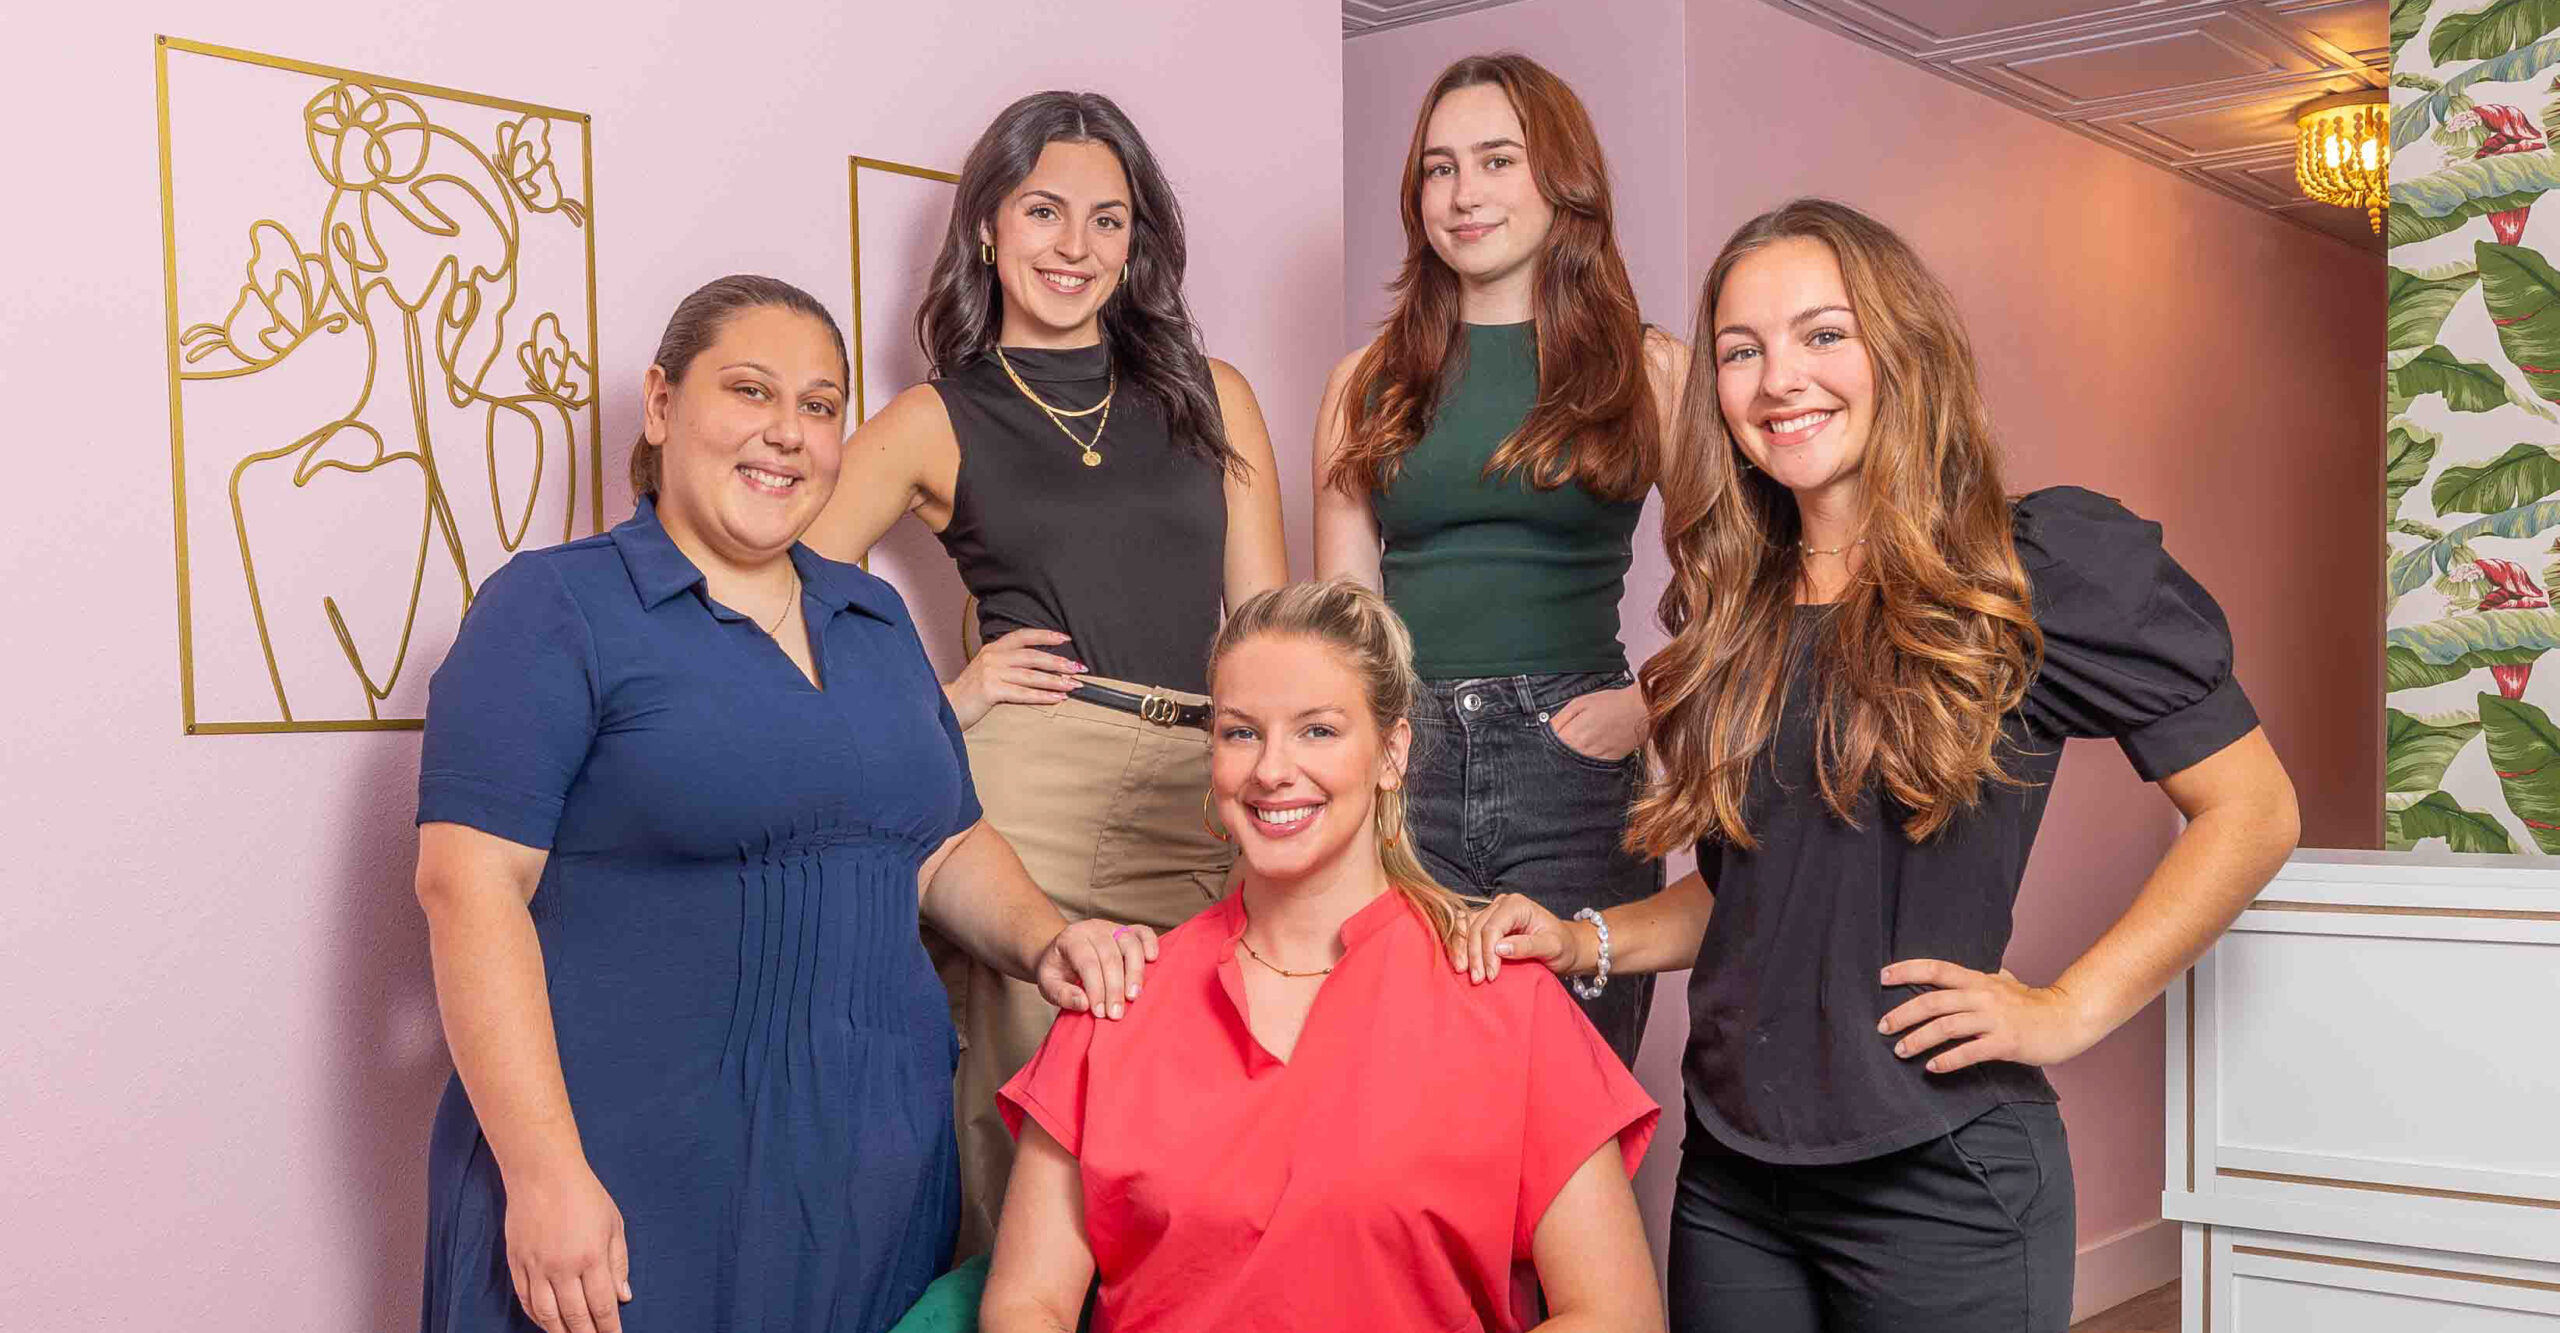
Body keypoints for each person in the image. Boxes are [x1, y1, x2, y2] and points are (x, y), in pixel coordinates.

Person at [1460, 200, 2302, 1333]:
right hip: (1733, 1183)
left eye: (1822, 334)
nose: (1779, 380)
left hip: (1943, 1179)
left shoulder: (2028, 570)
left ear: (1903, 349)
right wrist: (1583, 940)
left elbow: (2253, 809)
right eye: (1740, 351)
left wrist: (2068, 1008)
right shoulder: (1736, 607)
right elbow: (1760, 891)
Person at [412, 275, 1156, 1333]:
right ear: (662, 405)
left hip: (867, 1205)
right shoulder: (556, 607)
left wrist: (1048, 940)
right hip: (625, 1198)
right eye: (750, 390)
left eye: (819, 404)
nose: (788, 432)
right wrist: (541, 1174)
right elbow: (468, 889)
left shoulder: (873, 616)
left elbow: (939, 843)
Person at [805, 91, 1287, 1256]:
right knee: (1023, 1139)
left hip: (1202, 786)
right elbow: (784, 591)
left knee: (1208, 1132)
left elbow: (1270, 627)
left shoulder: (1212, 396)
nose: (1075, 245)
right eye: (1043, 211)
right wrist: (945, 702)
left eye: (1106, 220)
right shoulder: (936, 418)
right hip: (1033, 791)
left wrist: (1275, 770)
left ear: (1135, 242)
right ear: (987, 226)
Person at [981, 580, 1663, 1333]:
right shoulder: (1119, 996)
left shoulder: (1506, 1000)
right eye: (1241, 733)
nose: (1272, 769)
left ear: (1392, 753)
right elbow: (1026, 1304)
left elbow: (1618, 1314)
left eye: (1317, 731)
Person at [1314, 52, 1685, 1065]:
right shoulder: (1363, 382)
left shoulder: (1650, 368)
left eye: (1496, 160)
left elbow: (1746, 585)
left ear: (1562, 180)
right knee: (1406, 1092)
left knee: (1570, 1095)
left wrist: (1645, 707)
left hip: (1573, 767)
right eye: (1439, 169)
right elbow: (1344, 622)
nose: (1463, 193)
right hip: (1406, 761)